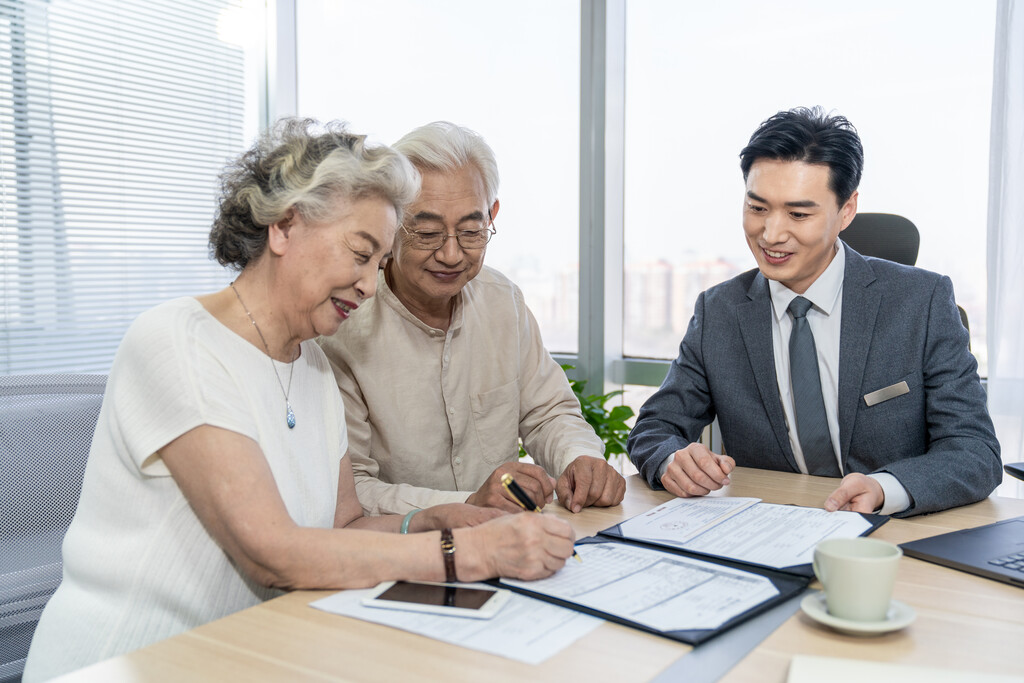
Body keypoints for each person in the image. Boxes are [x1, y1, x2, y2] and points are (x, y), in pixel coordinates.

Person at [23, 119, 576, 681]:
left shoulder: (312, 364)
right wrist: (468, 553)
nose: (368, 284)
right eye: (360, 255)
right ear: (285, 227)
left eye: (379, 261)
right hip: (128, 662)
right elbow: (274, 552)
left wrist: (433, 519)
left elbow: (345, 526)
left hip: (254, 655)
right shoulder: (177, 342)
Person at [627, 106, 1001, 518]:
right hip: (767, 529)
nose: (771, 234)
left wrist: (884, 488)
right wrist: (670, 459)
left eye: (799, 214)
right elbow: (655, 428)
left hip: (892, 538)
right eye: (757, 208)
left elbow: (973, 451)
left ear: (846, 210)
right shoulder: (719, 312)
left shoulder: (921, 302)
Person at [318, 121, 625, 516]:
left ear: (492, 215)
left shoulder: (503, 302)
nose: (451, 254)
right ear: (390, 222)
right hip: (402, 554)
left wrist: (578, 458)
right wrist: (469, 504)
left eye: (471, 230)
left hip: (507, 545)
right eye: (427, 232)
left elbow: (548, 412)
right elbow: (351, 489)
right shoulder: (343, 329)